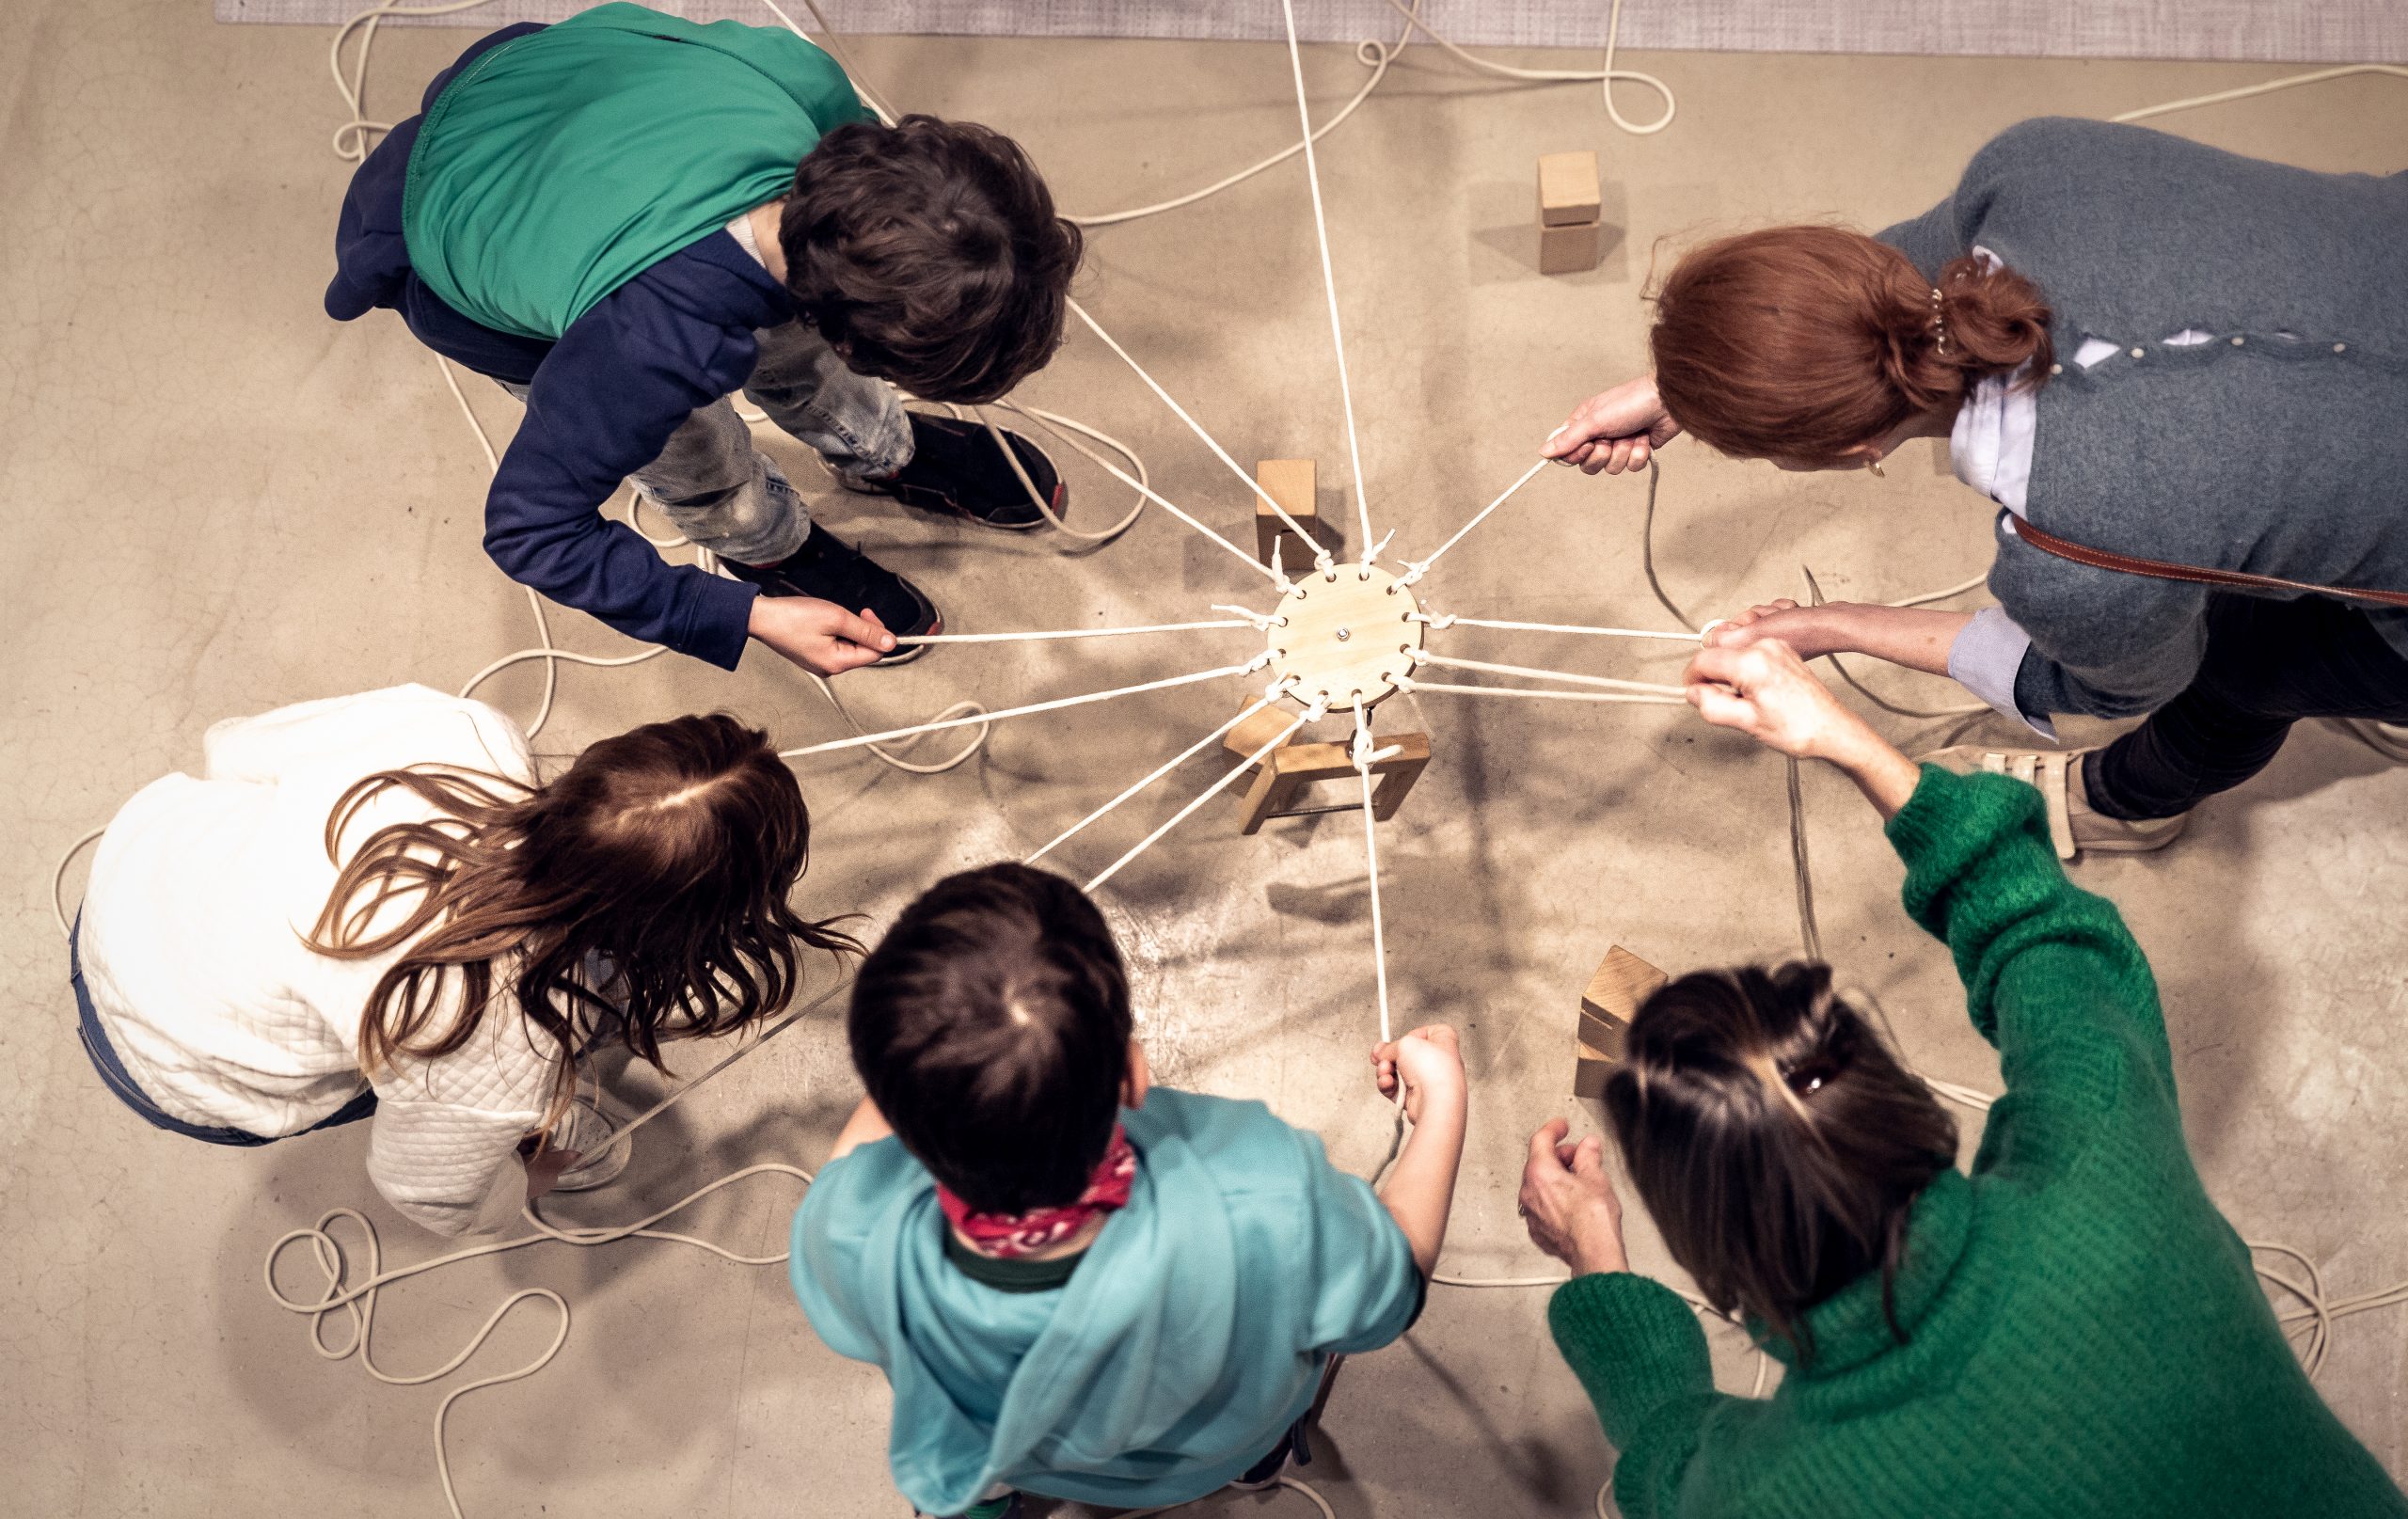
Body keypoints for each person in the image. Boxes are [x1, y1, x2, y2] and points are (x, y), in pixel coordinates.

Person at [1512, 637, 2408, 1518]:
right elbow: (2039, 927)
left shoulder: (1772, 1493)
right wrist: (1850, 741)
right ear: (1905, 1100)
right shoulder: (2106, 1154)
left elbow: (1667, 1461)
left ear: (1708, 1259)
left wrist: (1594, 1249)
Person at [1545, 117, 2408, 856]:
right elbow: (1890, 281)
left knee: (2246, 665)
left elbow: (2121, 687)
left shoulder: (2077, 551)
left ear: (1855, 449)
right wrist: (1696, 383)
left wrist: (1833, 624)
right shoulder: (2034, 169)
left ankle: (2126, 804)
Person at [326, 3, 1085, 678]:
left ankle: (882, 449)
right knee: (689, 451)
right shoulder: (648, 344)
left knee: (799, 340)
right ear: (858, 350)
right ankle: (766, 543)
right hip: (469, 221)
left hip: (580, 107)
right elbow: (531, 527)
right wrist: (741, 614)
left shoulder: (813, 95)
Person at [788, 862, 1466, 1519]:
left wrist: (924, 1062)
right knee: (1261, 1427)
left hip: (1013, 1455)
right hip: (1209, 1453)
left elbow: (855, 1153)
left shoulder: (852, 1226)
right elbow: (1396, 1284)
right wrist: (1443, 1100)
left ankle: (981, 1504)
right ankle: (1256, 1465)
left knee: (968, 1469)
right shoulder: (1268, 1195)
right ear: (1133, 1073)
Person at [70, 684, 855, 1236]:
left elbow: (233, 750)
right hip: (171, 1059)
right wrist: (522, 1168)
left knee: (439, 1037)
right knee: (470, 1094)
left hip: (137, 872)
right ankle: (518, 1131)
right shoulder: (502, 1035)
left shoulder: (459, 732)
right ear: (687, 926)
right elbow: (425, 1196)